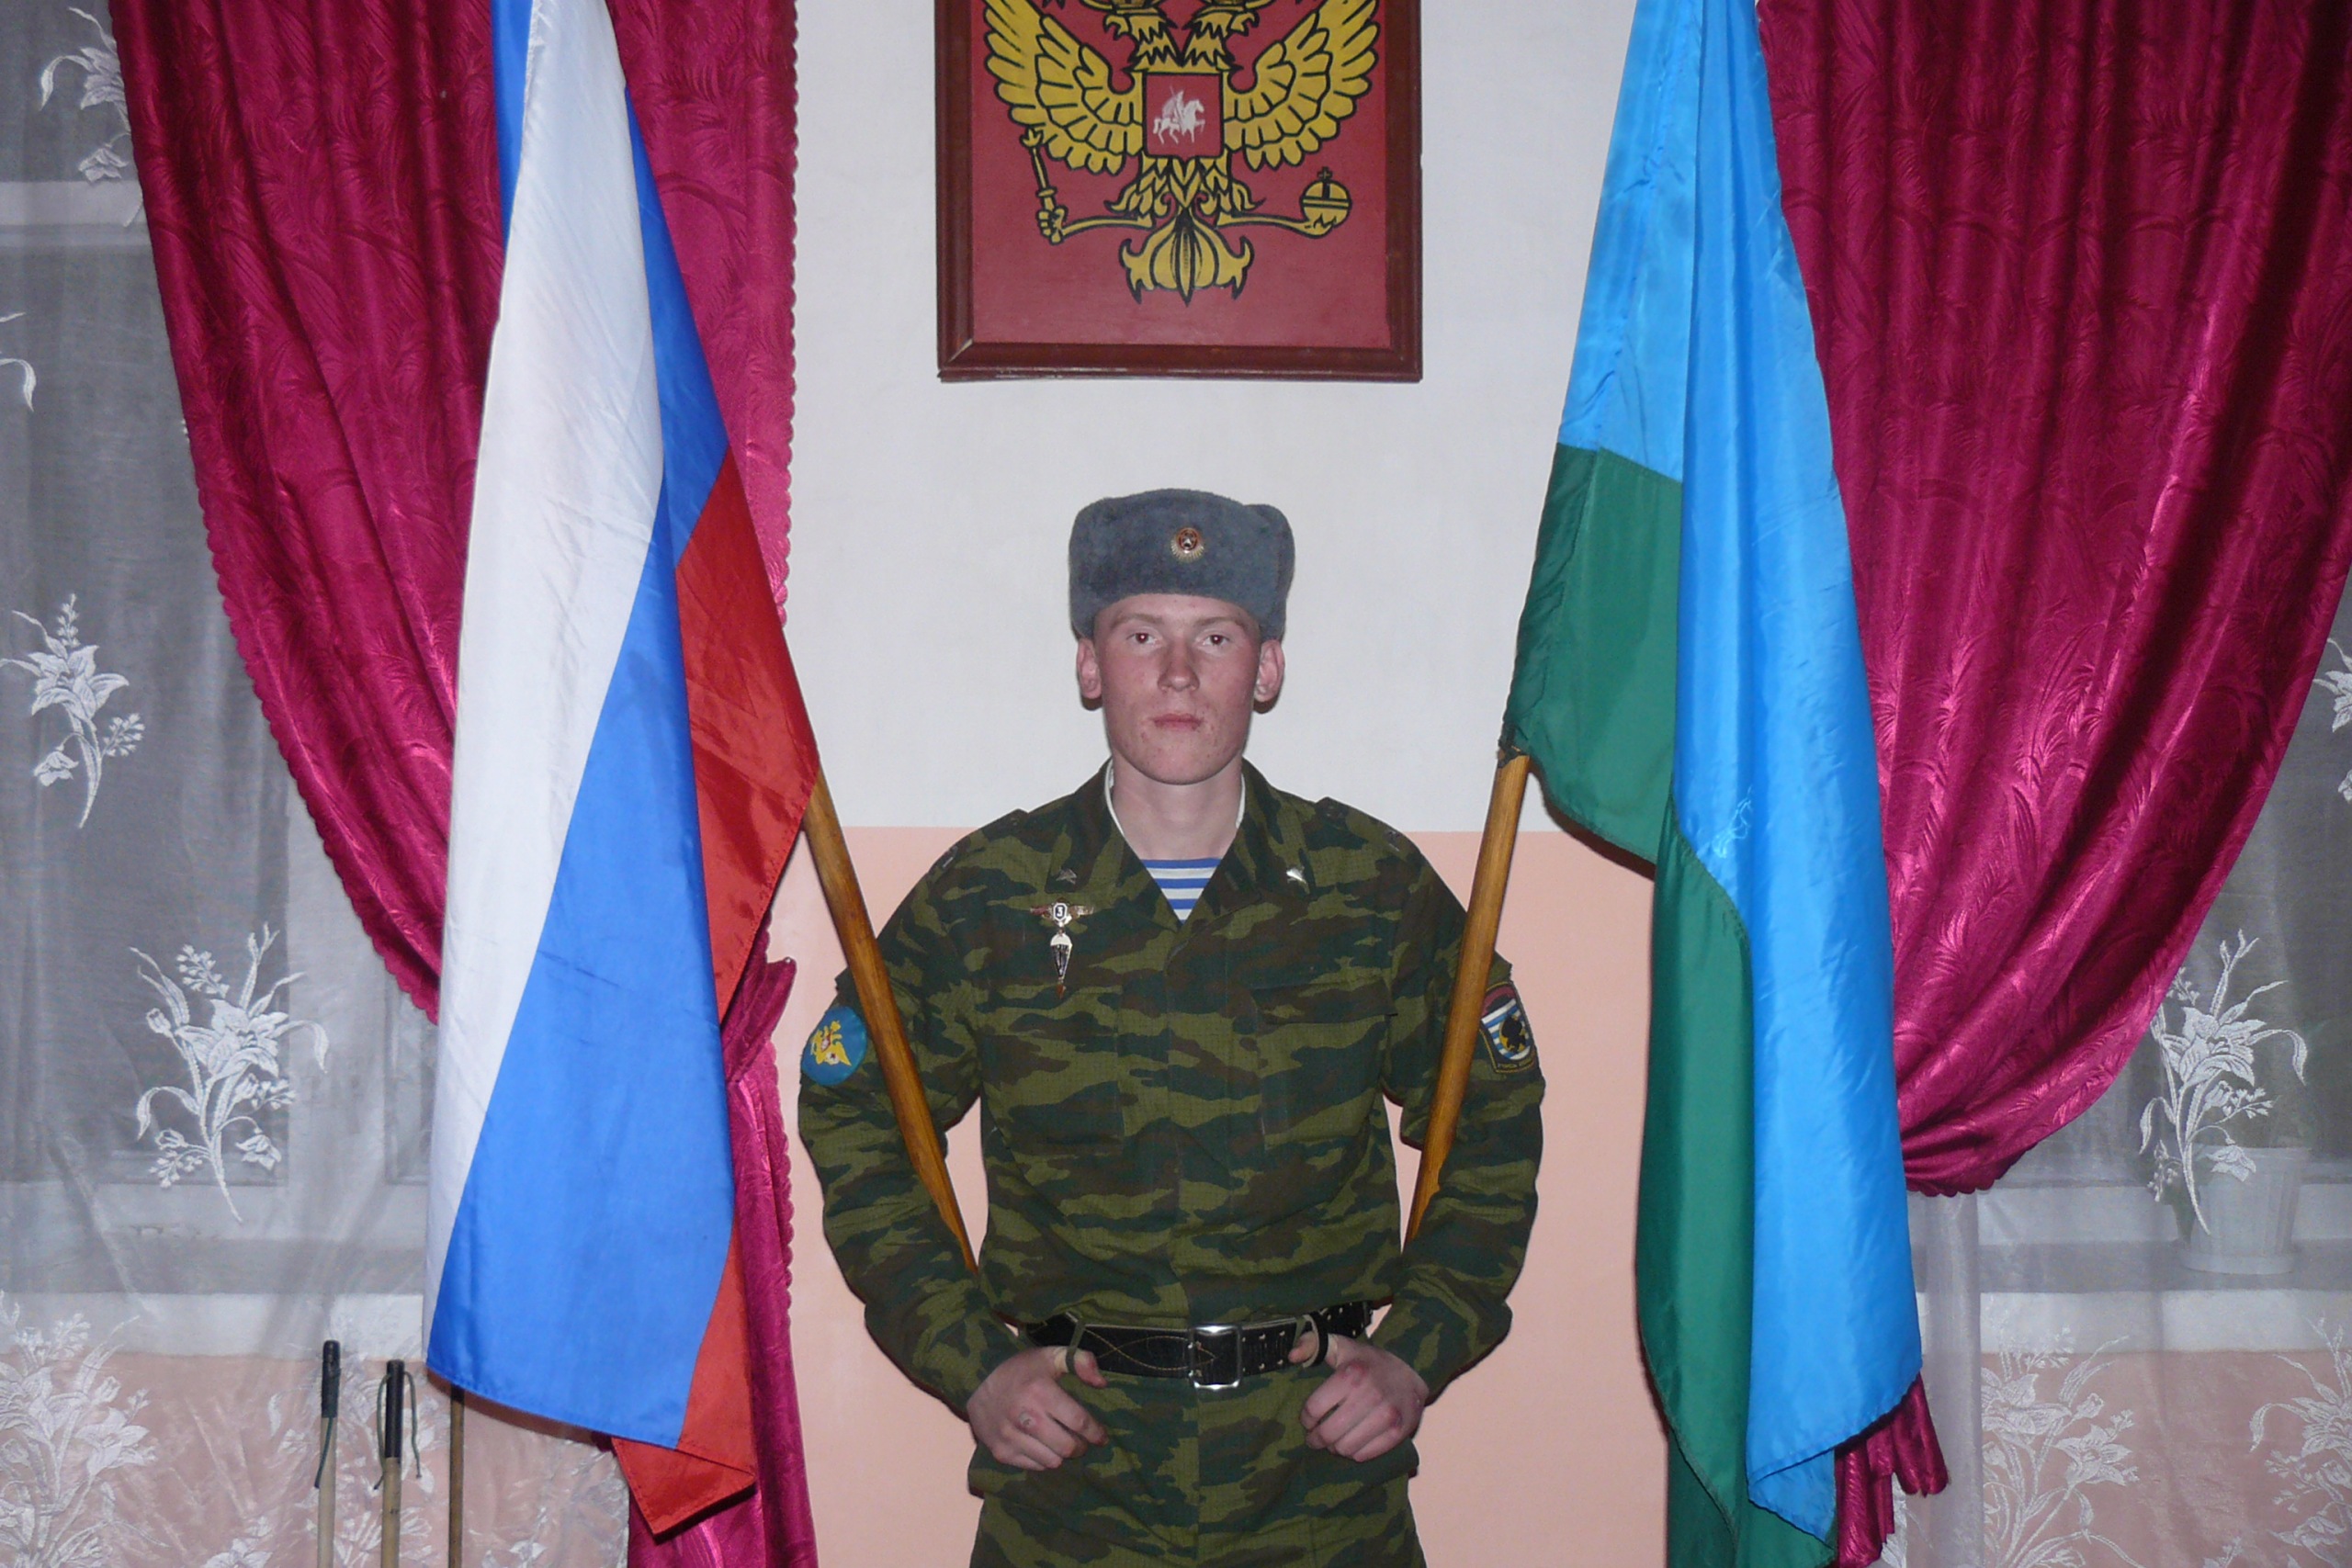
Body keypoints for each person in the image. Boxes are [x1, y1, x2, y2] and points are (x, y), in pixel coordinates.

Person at [798, 489, 1544, 1567]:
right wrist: (971, 1363)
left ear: (1267, 668)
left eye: (1218, 637)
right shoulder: (990, 896)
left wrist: (1417, 1353)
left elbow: (1493, 1115)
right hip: (1074, 1480)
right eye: (1142, 635)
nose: (1180, 675)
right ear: (1090, 665)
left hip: (1316, 1478)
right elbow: (854, 1110)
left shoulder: (1368, 890)